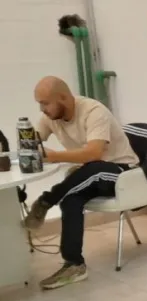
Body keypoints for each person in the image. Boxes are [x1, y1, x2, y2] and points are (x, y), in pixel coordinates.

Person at [23, 76, 140, 290]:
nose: (42, 109)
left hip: (122, 173)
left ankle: (47, 200)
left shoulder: (94, 112)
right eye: (39, 104)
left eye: (45, 103)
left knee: (93, 168)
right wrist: (28, 146)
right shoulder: (52, 117)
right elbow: (35, 141)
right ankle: (74, 264)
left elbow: (95, 153)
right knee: (70, 200)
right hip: (91, 174)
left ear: (64, 98)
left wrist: (55, 156)